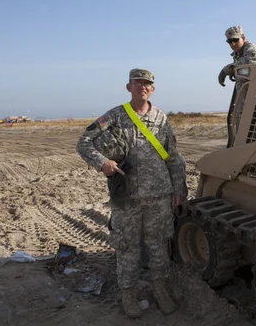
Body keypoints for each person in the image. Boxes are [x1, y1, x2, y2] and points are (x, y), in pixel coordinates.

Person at [76, 68, 187, 318]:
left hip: (158, 196)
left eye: (147, 84)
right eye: (137, 83)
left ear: (153, 89)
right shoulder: (115, 116)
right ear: (129, 87)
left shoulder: (161, 119)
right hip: (126, 197)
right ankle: (129, 295)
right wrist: (102, 163)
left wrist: (178, 188)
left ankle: (160, 290)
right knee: (127, 247)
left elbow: (173, 157)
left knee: (159, 245)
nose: (142, 87)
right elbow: (83, 143)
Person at [218, 26, 256, 146]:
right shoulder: (238, 54)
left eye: (235, 40)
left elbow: (249, 65)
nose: (233, 43)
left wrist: (228, 69)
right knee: (241, 136)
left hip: (254, 102)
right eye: (229, 41)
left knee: (251, 137)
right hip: (243, 102)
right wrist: (235, 72)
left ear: (243, 38)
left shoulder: (251, 49)